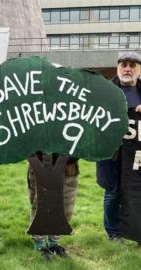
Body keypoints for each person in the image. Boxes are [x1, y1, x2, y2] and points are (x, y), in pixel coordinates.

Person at [97, 52, 141, 243]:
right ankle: (113, 232)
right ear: (117, 68)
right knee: (113, 192)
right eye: (124, 65)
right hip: (111, 153)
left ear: (139, 70)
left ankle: (137, 231)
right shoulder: (104, 90)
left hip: (137, 153)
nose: (127, 69)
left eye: (132, 65)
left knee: (137, 190)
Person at [27, 153, 78, 259]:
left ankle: (53, 244)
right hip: (41, 165)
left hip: (69, 167)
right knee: (41, 206)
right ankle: (40, 246)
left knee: (65, 207)